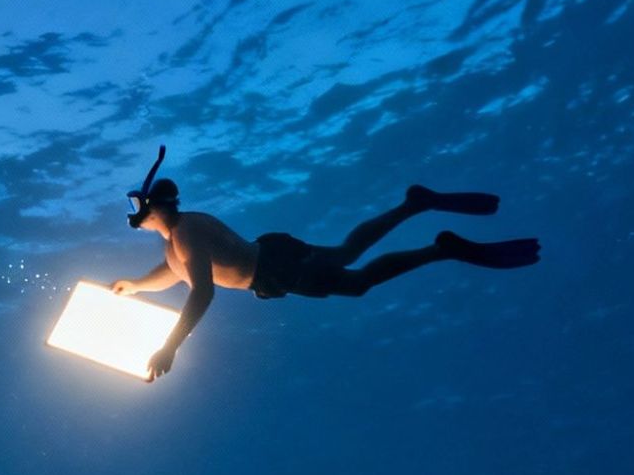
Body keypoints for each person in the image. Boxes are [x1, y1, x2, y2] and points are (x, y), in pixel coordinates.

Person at [110, 146, 541, 380]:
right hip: (274, 264)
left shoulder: (187, 232)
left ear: (153, 206)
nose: (135, 215)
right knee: (347, 257)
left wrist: (170, 347)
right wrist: (133, 284)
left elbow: (202, 291)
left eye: (137, 206)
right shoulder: (175, 245)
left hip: (275, 267)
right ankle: (415, 207)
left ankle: (437, 244)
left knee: (356, 280)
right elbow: (171, 275)